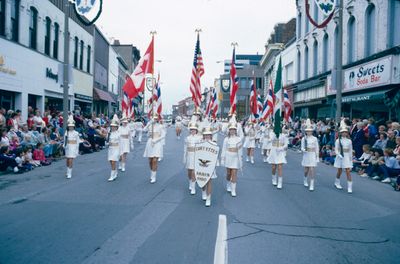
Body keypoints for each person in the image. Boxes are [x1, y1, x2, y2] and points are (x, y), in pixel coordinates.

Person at [221, 115, 242, 197]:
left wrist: (240, 160)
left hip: (235, 158)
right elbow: (223, 149)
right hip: (228, 157)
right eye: (231, 130)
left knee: (234, 173)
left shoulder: (239, 139)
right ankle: (228, 183)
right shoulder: (226, 139)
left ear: (236, 130)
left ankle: (233, 190)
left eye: (234, 129)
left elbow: (240, 151)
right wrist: (222, 159)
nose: (232, 131)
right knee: (228, 173)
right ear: (229, 131)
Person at [143, 115, 166, 183]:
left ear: (157, 119)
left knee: (155, 160)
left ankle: (153, 176)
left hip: (157, 143)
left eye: (156, 119)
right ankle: (152, 172)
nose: (155, 120)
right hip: (150, 143)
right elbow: (144, 130)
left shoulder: (160, 126)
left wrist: (156, 140)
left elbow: (163, 135)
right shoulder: (150, 125)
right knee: (150, 160)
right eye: (153, 118)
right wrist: (149, 123)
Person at [334, 120, 354, 193]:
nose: (344, 133)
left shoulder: (349, 141)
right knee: (339, 170)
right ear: (340, 133)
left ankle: (349, 187)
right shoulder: (338, 141)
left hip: (346, 157)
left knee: (348, 171)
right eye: (343, 132)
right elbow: (336, 149)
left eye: (345, 132)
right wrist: (338, 154)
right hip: (340, 156)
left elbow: (350, 150)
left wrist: (351, 160)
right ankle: (337, 182)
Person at [201, 126, 219, 207]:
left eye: (208, 135)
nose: (207, 136)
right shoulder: (200, 143)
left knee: (209, 181)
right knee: (203, 181)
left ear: (211, 136)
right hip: (201, 165)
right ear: (203, 136)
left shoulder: (214, 144)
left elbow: (216, 155)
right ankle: (203, 192)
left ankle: (208, 198)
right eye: (205, 135)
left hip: (210, 165)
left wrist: (216, 164)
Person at [183, 121, 201, 195]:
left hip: (196, 155)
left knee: (194, 172)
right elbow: (185, 148)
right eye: (191, 129)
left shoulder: (199, 138)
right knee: (189, 172)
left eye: (194, 129)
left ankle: (193, 187)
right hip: (189, 155)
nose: (193, 131)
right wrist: (184, 157)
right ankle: (190, 182)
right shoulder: (187, 138)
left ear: (196, 130)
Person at [301, 119, 319, 191]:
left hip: (312, 155)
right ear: (306, 131)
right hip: (306, 155)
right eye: (307, 131)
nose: (309, 132)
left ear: (312, 131)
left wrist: (317, 157)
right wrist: (303, 150)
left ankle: (312, 184)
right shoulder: (303, 138)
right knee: (306, 170)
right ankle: (305, 179)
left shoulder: (315, 138)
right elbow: (302, 147)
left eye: (310, 131)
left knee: (312, 169)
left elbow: (317, 148)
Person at [107, 115, 120, 182]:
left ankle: (112, 175)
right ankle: (115, 171)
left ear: (117, 127)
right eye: (112, 126)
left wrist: (120, 152)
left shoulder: (118, 134)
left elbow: (121, 143)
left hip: (116, 149)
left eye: (114, 126)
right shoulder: (109, 133)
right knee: (110, 161)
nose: (113, 127)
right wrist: (107, 143)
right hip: (111, 149)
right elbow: (107, 140)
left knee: (113, 161)